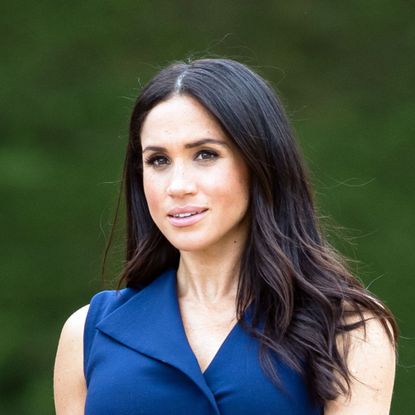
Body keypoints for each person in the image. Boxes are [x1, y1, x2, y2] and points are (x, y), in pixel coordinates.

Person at [53, 58, 398, 414]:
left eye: (205, 154)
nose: (178, 186)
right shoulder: (88, 334)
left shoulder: (347, 330)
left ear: (261, 163)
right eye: (158, 160)